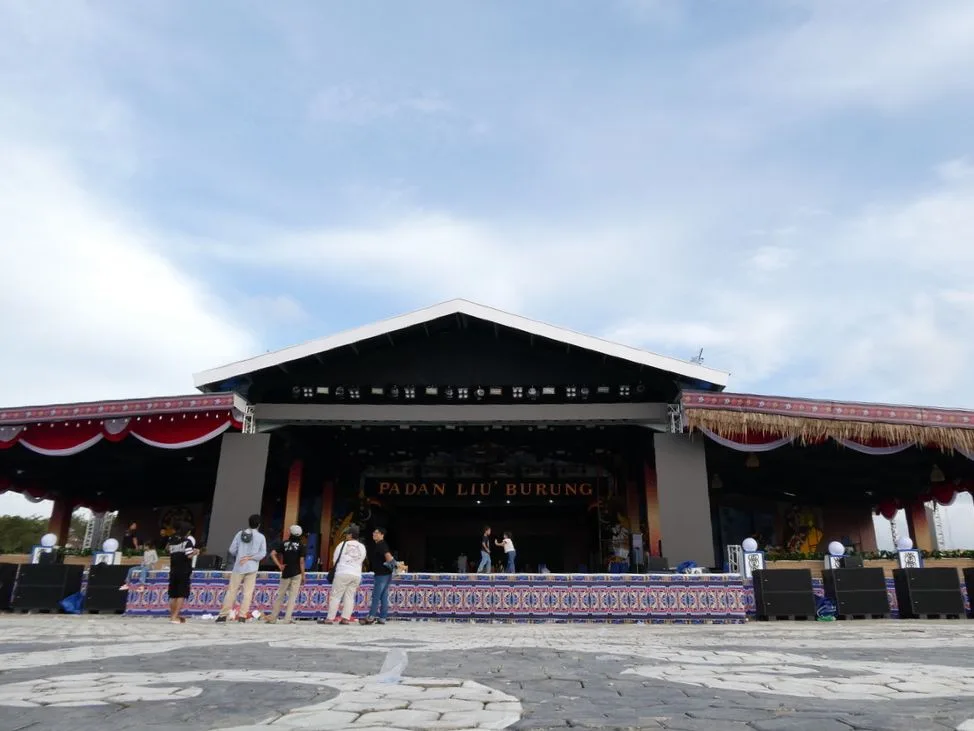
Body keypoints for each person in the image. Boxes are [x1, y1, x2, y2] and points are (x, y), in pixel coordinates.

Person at [216, 514, 267, 624]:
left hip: (239, 566)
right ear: (259, 524)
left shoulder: (240, 534)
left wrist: (241, 554)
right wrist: (251, 557)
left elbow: (232, 550)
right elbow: (262, 553)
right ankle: (242, 616)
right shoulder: (261, 537)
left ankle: (223, 615)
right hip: (252, 567)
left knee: (231, 591)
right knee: (247, 593)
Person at [319, 524, 366, 625]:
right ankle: (345, 618)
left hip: (343, 573)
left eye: (347, 534)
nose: (346, 536)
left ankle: (330, 618)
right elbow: (361, 560)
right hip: (356, 574)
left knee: (336, 596)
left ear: (350, 535)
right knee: (349, 596)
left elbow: (335, 559)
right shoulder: (362, 547)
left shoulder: (342, 545)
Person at [267, 525, 305, 624]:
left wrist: (279, 565)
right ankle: (287, 619)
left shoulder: (284, 544)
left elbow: (272, 554)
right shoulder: (301, 546)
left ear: (290, 533)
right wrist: (303, 575)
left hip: (286, 572)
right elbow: (301, 562)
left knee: (280, 596)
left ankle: (273, 618)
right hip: (297, 573)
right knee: (292, 598)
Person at [360, 527, 396, 625]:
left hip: (381, 574)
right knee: (383, 596)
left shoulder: (381, 544)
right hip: (386, 573)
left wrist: (394, 565)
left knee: (376, 596)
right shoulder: (381, 544)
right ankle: (382, 618)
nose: (374, 534)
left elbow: (388, 556)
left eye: (376, 533)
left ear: (382, 535)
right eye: (374, 532)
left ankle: (371, 617)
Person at [166, 522, 198, 624]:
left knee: (173, 594)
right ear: (187, 531)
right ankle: (175, 617)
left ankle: (173, 616)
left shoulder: (172, 541)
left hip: (173, 570)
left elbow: (168, 550)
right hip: (184, 571)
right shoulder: (187, 541)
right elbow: (189, 555)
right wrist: (196, 552)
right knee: (181, 594)